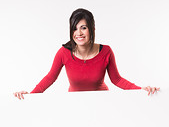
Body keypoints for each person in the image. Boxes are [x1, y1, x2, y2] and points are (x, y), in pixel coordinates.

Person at [13, 8, 160, 100]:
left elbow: (117, 80)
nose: (79, 33)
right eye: (75, 29)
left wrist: (141, 90)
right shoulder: (64, 53)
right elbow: (50, 78)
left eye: (83, 28)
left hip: (102, 102)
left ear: (92, 29)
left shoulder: (106, 51)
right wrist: (30, 96)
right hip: (75, 104)